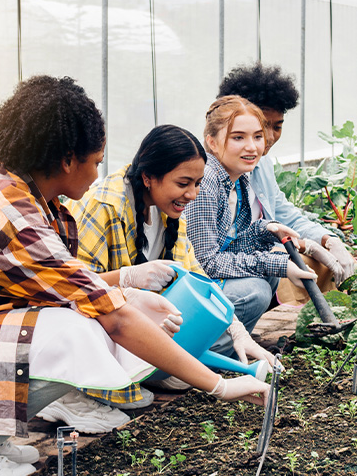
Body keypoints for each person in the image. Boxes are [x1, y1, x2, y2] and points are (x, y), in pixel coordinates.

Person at [0, 76, 270, 476]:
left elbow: (65, 284)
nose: (96, 174)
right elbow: (111, 317)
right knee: (79, 332)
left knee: (80, 321)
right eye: (93, 162)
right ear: (67, 159)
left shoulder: (10, 183)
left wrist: (125, 287)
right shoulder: (15, 217)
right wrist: (220, 386)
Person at [35, 124, 277, 431]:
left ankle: (152, 368)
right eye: (183, 183)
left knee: (233, 304)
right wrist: (127, 277)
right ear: (149, 177)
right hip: (90, 320)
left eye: (198, 183)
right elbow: (68, 290)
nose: (192, 194)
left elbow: (196, 276)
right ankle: (68, 392)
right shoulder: (104, 206)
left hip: (128, 319)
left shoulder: (167, 210)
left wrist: (238, 331)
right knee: (250, 293)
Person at [217, 62, 356, 305]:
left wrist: (328, 239)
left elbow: (284, 214)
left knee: (338, 268)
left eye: (277, 126)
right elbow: (217, 254)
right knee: (261, 290)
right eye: (262, 126)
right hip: (234, 274)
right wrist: (296, 248)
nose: (269, 137)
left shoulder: (262, 165)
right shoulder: (210, 177)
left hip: (262, 260)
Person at [185, 95, 318, 346]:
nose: (253, 147)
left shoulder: (238, 176)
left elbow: (232, 246)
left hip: (206, 273)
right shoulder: (206, 182)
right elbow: (206, 263)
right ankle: (201, 355)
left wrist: (266, 229)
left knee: (269, 274)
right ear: (212, 142)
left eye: (257, 136)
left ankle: (235, 341)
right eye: (238, 137)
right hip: (186, 286)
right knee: (255, 292)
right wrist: (279, 264)